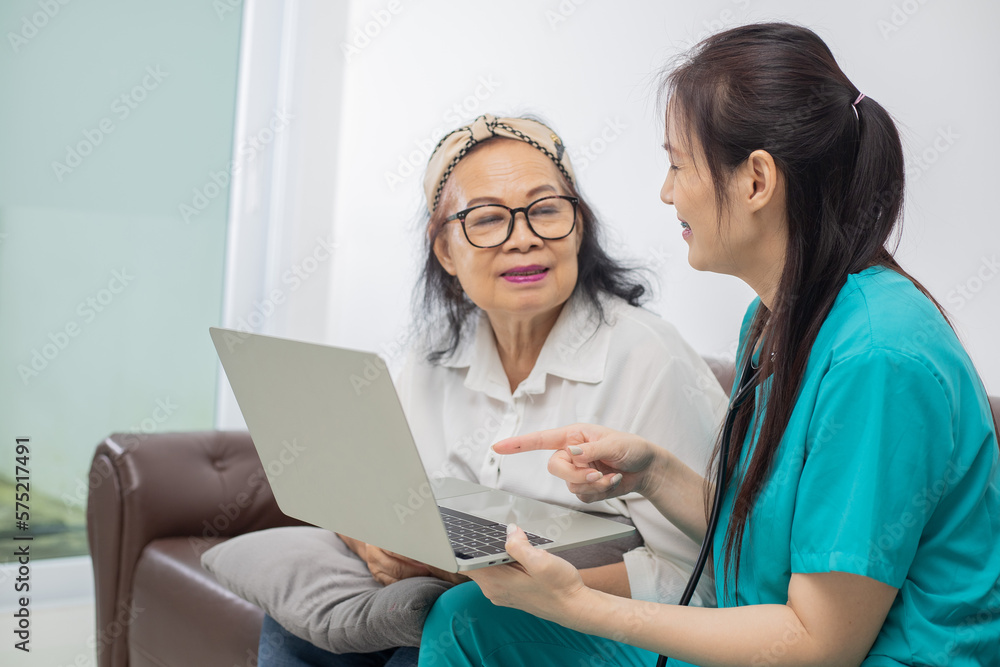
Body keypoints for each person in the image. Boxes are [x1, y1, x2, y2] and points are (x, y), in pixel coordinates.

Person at [419, 24, 1000, 667]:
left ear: (755, 181)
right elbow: (769, 538)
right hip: (761, 625)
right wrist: (652, 473)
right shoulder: (778, 317)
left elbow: (819, 645)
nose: (667, 192)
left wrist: (577, 604)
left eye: (676, 164)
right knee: (469, 622)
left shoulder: (878, 358)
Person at [243, 114, 728, 666]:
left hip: (618, 632)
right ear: (445, 249)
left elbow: (707, 579)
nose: (523, 238)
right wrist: (369, 543)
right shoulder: (432, 357)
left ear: (580, 227)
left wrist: (528, 583)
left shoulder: (647, 357)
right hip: (470, 600)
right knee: (296, 625)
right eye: (487, 219)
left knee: (450, 627)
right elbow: (387, 501)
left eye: (547, 210)